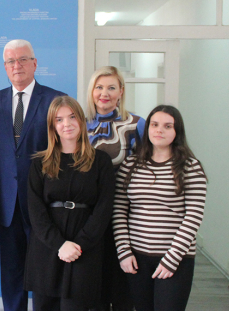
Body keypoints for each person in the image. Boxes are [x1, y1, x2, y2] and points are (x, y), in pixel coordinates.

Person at [0, 39, 65, 311]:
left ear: (35, 63)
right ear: (5, 67)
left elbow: (64, 154)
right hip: (7, 205)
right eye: (11, 61)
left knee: (45, 270)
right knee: (12, 271)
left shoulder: (54, 100)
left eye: (23, 59)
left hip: (45, 205)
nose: (17, 65)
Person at [113, 105, 207, 311]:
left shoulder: (190, 167)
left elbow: (193, 217)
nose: (159, 130)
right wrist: (124, 252)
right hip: (136, 259)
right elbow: (119, 211)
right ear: (147, 129)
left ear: (177, 131)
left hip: (175, 260)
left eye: (167, 126)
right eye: (154, 125)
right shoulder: (130, 165)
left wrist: (171, 259)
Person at [26, 96, 115, 310]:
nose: (67, 124)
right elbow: (35, 210)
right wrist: (59, 244)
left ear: (82, 121)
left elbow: (104, 208)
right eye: (59, 119)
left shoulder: (100, 160)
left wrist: (79, 245)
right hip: (47, 249)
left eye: (72, 117)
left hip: (85, 249)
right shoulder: (40, 163)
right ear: (52, 126)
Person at [85, 66, 145, 311]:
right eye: (99, 87)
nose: (104, 93)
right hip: (88, 217)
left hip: (126, 215)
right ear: (92, 92)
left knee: (122, 284)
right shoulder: (80, 125)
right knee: (95, 282)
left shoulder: (138, 125)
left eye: (111, 88)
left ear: (121, 92)